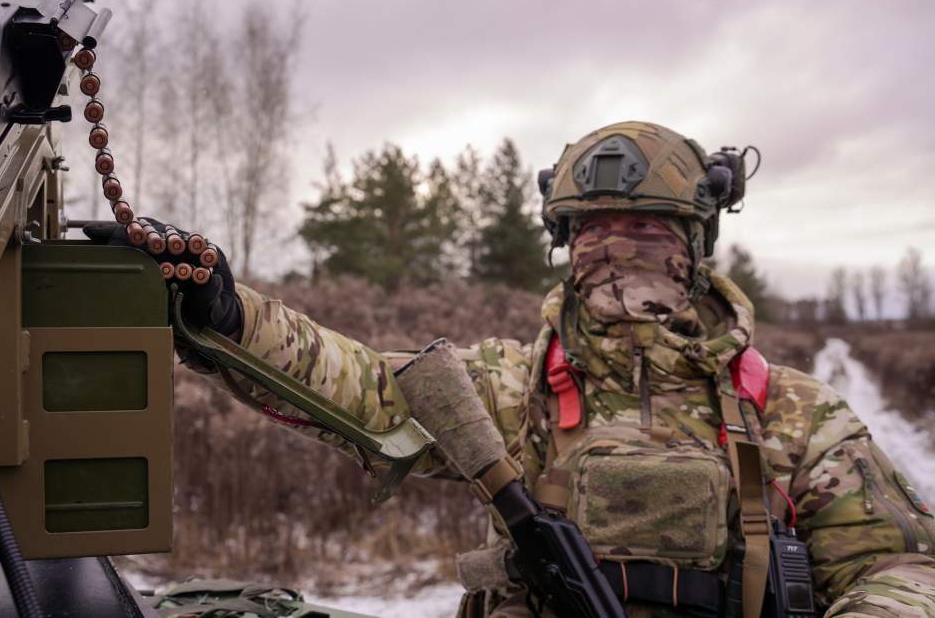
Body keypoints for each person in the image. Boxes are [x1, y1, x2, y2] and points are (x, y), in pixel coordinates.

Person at [86, 121, 935, 617]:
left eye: (645, 230)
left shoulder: (791, 411)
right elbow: (366, 391)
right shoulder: (509, 387)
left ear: (694, 244)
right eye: (593, 231)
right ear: (566, 245)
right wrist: (228, 316)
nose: (616, 251)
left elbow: (894, 567)